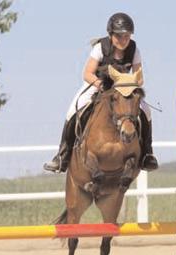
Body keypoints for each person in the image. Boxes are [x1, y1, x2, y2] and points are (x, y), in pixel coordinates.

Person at [43, 12, 158, 173]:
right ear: (111, 34)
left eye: (127, 36)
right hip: (98, 84)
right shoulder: (100, 47)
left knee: (147, 111)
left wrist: (127, 85)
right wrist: (101, 84)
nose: (124, 40)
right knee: (73, 110)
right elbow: (87, 73)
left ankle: (147, 154)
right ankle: (62, 156)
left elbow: (139, 78)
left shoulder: (134, 49)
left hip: (123, 88)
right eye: (119, 36)